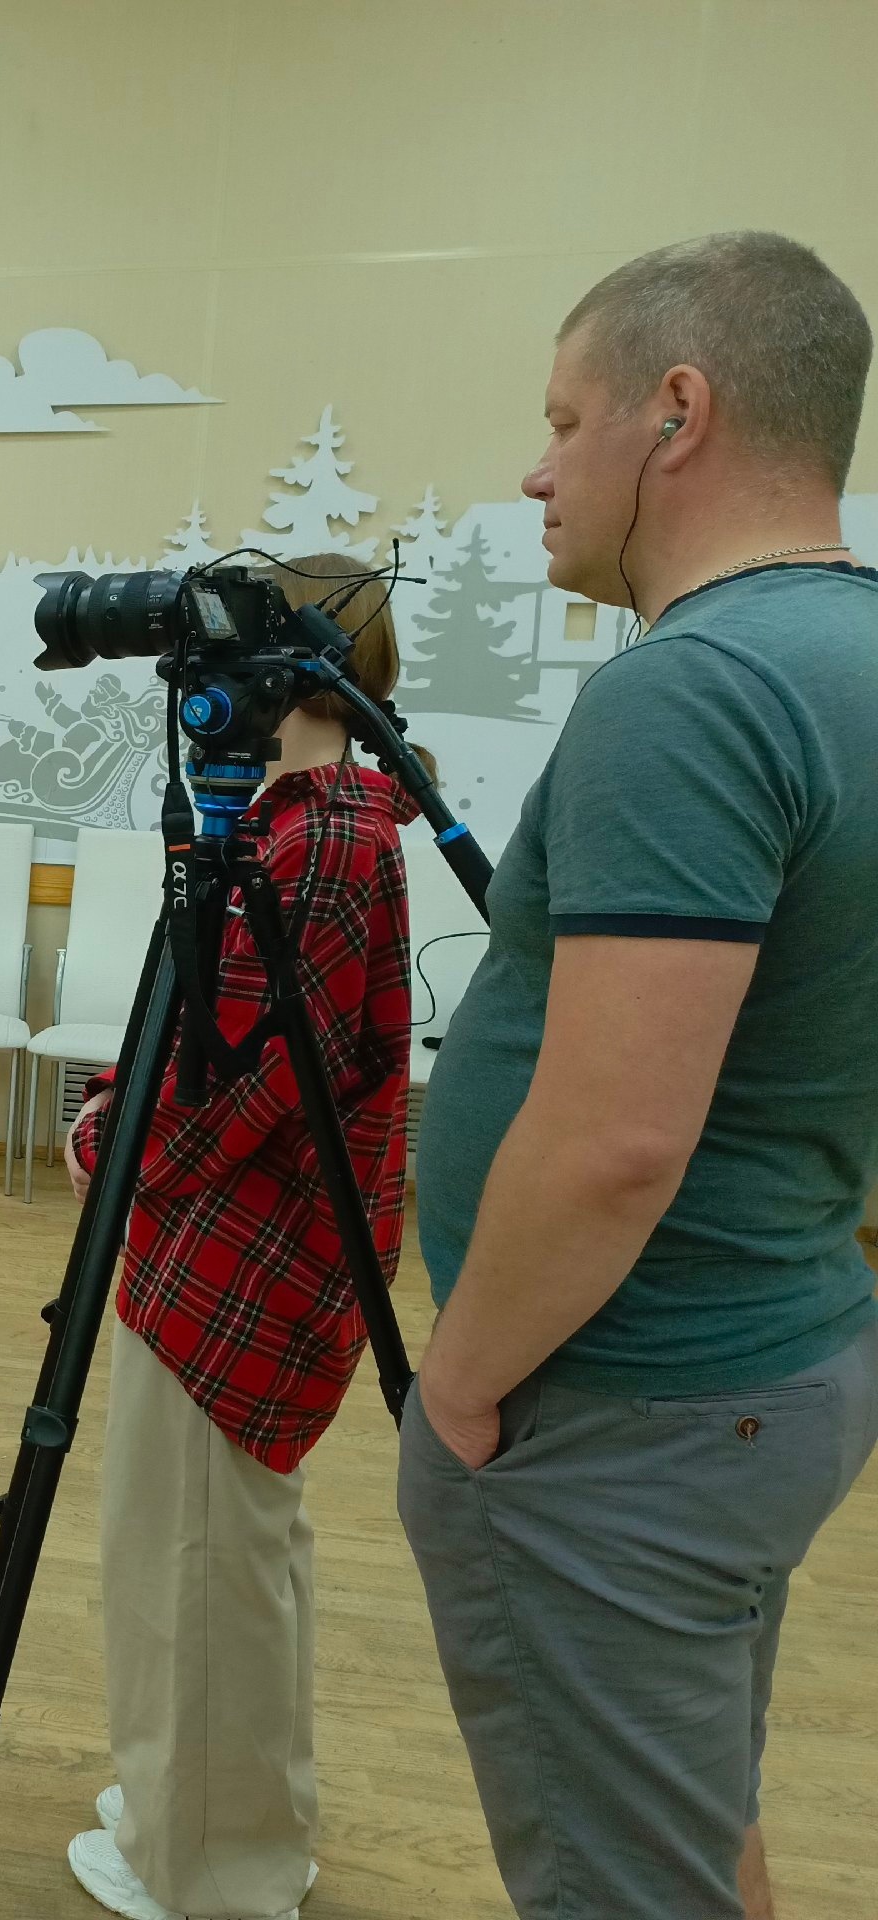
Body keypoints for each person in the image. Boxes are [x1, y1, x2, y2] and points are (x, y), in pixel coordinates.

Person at [401, 231, 878, 1920]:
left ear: (678, 411)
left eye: (563, 420)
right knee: (690, 1819)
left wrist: (461, 1388)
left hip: (628, 1410)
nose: (536, 472)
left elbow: (614, 1140)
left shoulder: (693, 695)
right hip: (776, 1350)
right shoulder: (847, 658)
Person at [64, 553, 420, 1920]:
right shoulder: (314, 823)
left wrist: (105, 1142)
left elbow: (234, 1087)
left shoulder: (311, 845)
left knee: (199, 1567)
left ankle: (215, 1870)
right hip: (237, 1253)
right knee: (213, 1555)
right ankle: (209, 1811)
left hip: (239, 1261)